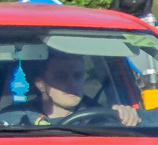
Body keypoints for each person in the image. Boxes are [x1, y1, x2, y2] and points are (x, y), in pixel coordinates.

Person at [9, 50, 139, 127]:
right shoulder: (17, 119)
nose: (72, 84)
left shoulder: (100, 118)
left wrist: (125, 116)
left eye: (77, 76)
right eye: (61, 77)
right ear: (41, 84)